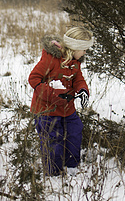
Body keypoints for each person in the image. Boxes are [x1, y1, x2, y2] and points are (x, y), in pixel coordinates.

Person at [29, 26, 93, 175]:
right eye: (83, 49)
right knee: (53, 141)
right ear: (74, 47)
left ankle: (72, 166)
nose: (85, 53)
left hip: (67, 109)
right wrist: (55, 95)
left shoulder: (75, 61)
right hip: (46, 111)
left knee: (75, 131)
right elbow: (34, 79)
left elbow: (78, 79)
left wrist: (82, 90)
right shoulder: (51, 59)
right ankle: (53, 173)